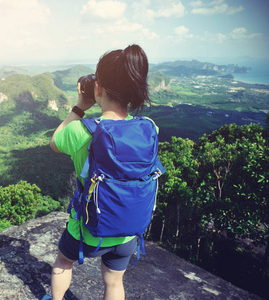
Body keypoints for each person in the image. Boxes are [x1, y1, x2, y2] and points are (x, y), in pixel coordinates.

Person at [45, 44, 155, 300]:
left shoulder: (81, 131)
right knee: (114, 282)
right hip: (128, 231)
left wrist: (80, 106)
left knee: (63, 262)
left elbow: (54, 142)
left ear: (98, 87)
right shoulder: (150, 128)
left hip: (87, 230)